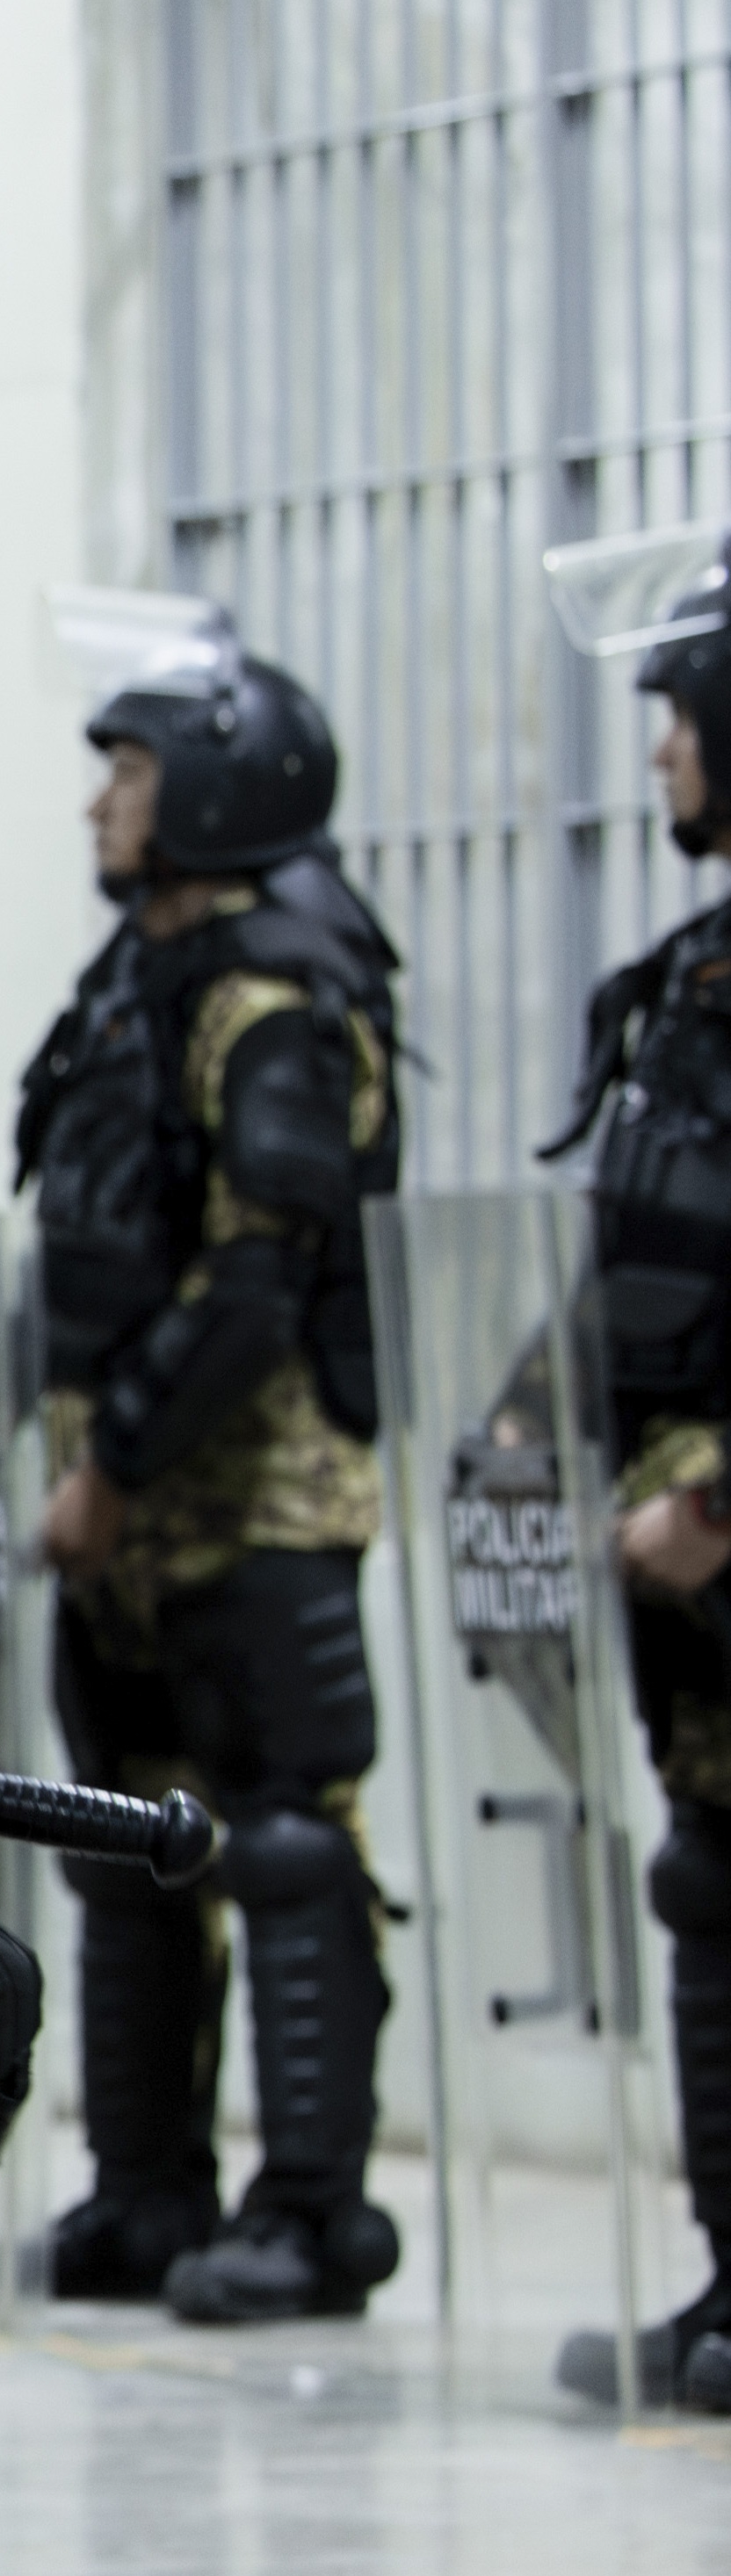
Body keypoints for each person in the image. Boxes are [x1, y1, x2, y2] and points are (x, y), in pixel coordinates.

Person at [10, 645, 404, 2325]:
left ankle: (309, 2214)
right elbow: (85, 1245)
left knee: (289, 1845)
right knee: (123, 1852)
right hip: (118, 1514)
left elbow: (256, 1282)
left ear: (219, 793)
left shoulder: (277, 1002)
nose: (101, 797)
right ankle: (145, 2190)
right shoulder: (127, 988)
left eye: (132, 770)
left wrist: (106, 1462)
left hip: (258, 1503)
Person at [561, 557, 731, 2408]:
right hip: (660, 1514)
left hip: (710, 1509)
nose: (663, 749)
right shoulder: (689, 970)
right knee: (705, 1885)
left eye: (681, 711)